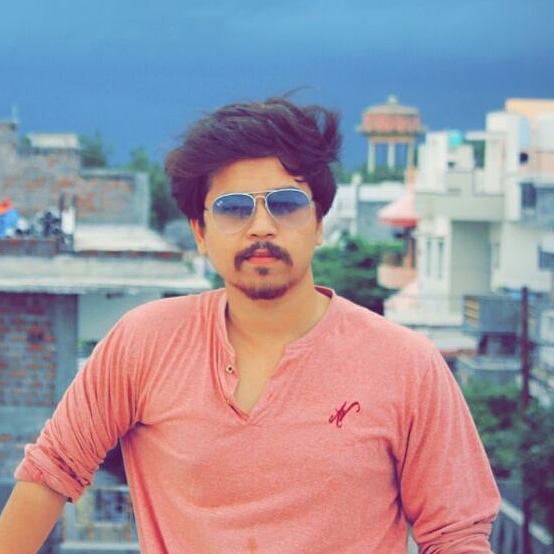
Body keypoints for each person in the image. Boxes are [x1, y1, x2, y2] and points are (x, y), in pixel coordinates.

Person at [0, 95, 500, 553]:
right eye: (234, 208)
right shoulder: (144, 343)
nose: (262, 226)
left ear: (319, 223)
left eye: (286, 204)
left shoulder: (405, 365)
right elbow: (51, 472)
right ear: (200, 232)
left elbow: (455, 534)